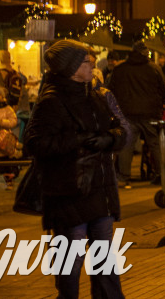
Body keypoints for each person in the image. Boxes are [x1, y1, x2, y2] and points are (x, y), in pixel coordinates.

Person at [23, 39, 127, 299]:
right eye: (86, 62)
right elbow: (35, 143)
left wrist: (111, 138)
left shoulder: (95, 95)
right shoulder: (52, 101)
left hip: (100, 189)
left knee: (105, 260)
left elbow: (119, 129)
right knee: (70, 260)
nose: (92, 65)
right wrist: (78, 140)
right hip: (70, 191)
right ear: (70, 67)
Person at [107, 40, 165, 185]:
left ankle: (124, 176)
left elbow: (111, 89)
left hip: (127, 112)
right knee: (155, 144)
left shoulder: (120, 69)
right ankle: (162, 174)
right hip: (150, 112)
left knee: (127, 144)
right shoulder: (154, 68)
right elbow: (163, 88)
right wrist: (158, 104)